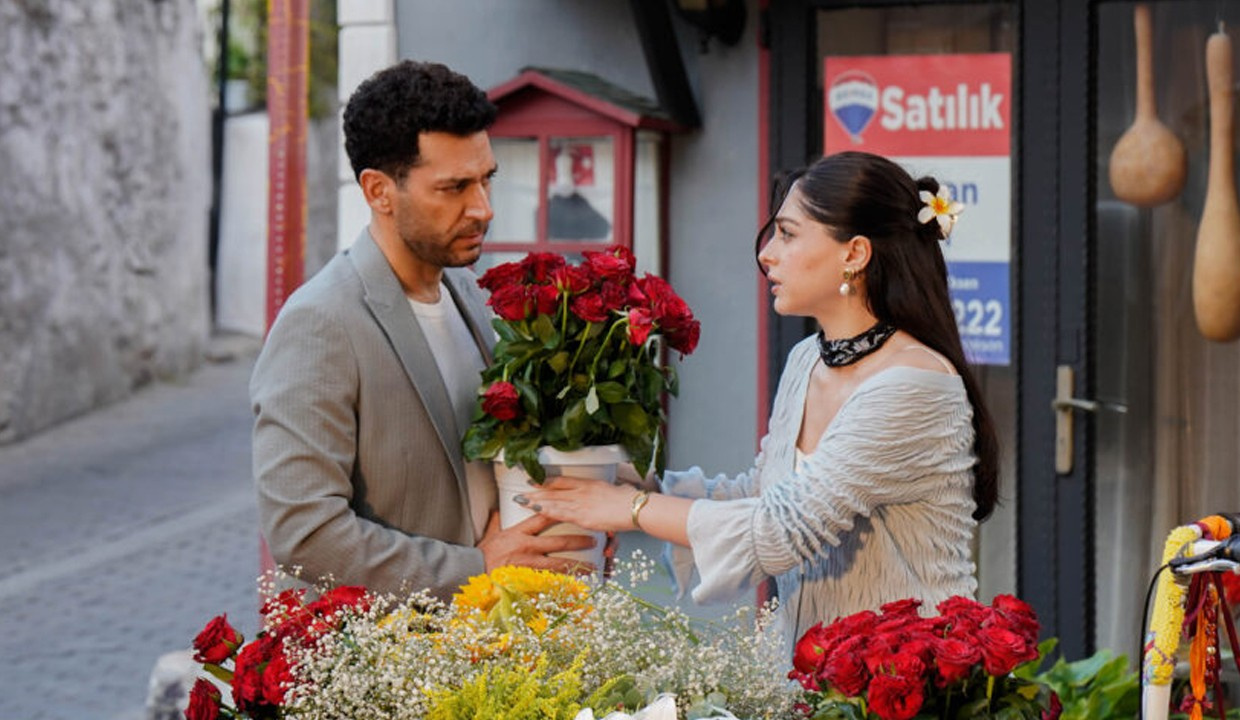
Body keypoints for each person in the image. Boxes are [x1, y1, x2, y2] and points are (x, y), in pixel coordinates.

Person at [521, 151, 1000, 645]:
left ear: (855, 253)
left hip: (908, 672)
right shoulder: (808, 359)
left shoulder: (914, 383)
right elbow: (767, 493)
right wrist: (641, 484)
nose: (767, 254)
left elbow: (782, 529)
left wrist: (632, 507)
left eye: (787, 234)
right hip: (810, 669)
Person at [251, 60, 594, 598]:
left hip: (494, 635)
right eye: (454, 187)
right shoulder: (321, 322)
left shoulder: (470, 293)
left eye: (486, 179)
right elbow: (305, 533)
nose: (483, 209)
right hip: (391, 645)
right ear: (378, 191)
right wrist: (475, 568)